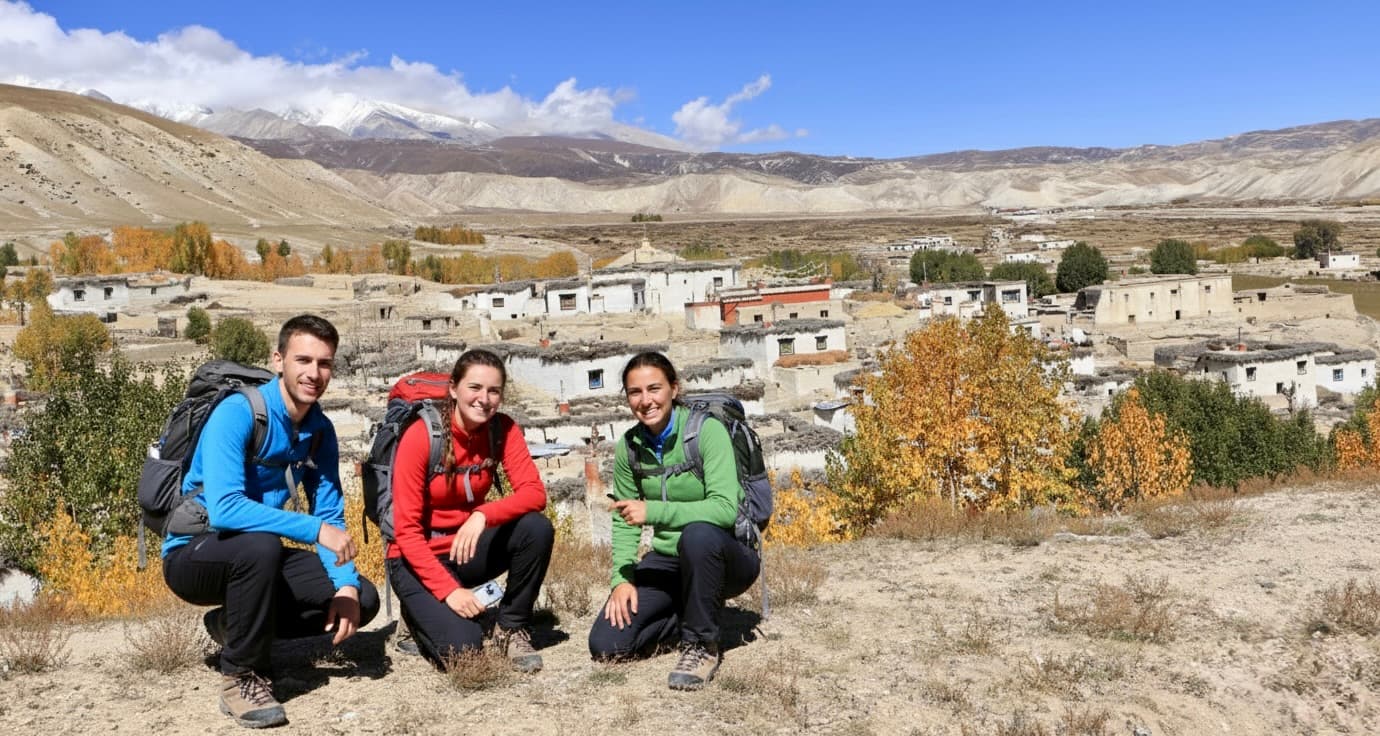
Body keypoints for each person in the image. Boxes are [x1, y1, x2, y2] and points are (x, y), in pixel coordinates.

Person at [161, 314, 379, 729]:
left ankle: (233, 626)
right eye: (303, 360)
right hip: (194, 553)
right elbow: (225, 508)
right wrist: (316, 531)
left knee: (361, 600)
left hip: (257, 558)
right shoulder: (238, 413)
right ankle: (241, 677)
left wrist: (346, 582)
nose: (314, 373)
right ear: (279, 360)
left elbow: (329, 511)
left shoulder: (319, 431)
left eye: (324, 363)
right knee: (261, 545)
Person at [588, 351, 760, 690]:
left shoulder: (706, 432)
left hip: (727, 557)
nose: (646, 400)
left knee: (697, 536)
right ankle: (691, 614)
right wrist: (621, 578)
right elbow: (624, 516)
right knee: (607, 645)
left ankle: (701, 645)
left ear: (673, 389)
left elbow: (725, 509)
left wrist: (654, 511)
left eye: (655, 388)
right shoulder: (630, 446)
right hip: (669, 561)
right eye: (635, 392)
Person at [386, 349, 553, 672]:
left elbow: (534, 493)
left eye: (494, 391)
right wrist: (449, 592)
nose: (484, 399)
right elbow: (406, 532)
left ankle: (511, 626)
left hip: (465, 548)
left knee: (536, 528)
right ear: (453, 389)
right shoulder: (421, 436)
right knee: (464, 651)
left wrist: (483, 515)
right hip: (414, 556)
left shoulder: (501, 429)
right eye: (474, 388)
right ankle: (415, 613)